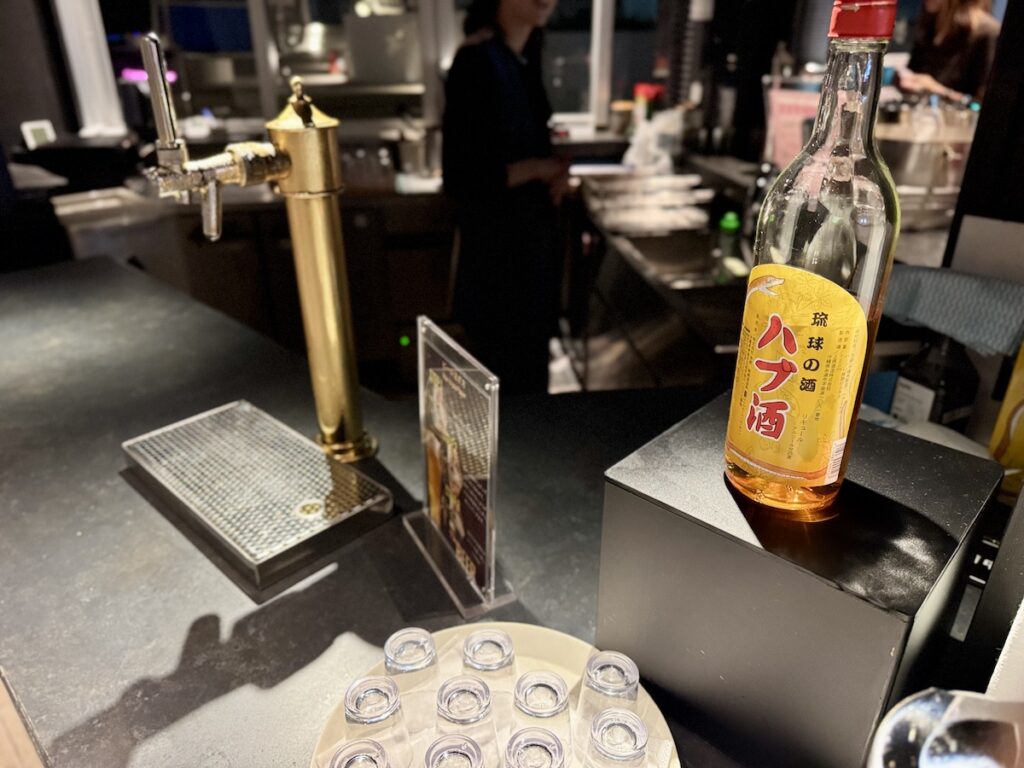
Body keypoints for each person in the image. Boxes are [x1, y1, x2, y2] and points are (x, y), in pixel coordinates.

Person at [442, 0, 569, 394]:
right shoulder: (475, 62)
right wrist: (540, 169)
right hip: (498, 267)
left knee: (531, 389)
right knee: (507, 394)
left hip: (530, 261)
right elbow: (462, 176)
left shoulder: (522, 57)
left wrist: (555, 172)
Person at [900, 0, 1001, 102]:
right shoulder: (931, 20)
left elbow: (981, 103)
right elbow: (913, 70)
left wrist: (937, 90)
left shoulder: (989, 32)